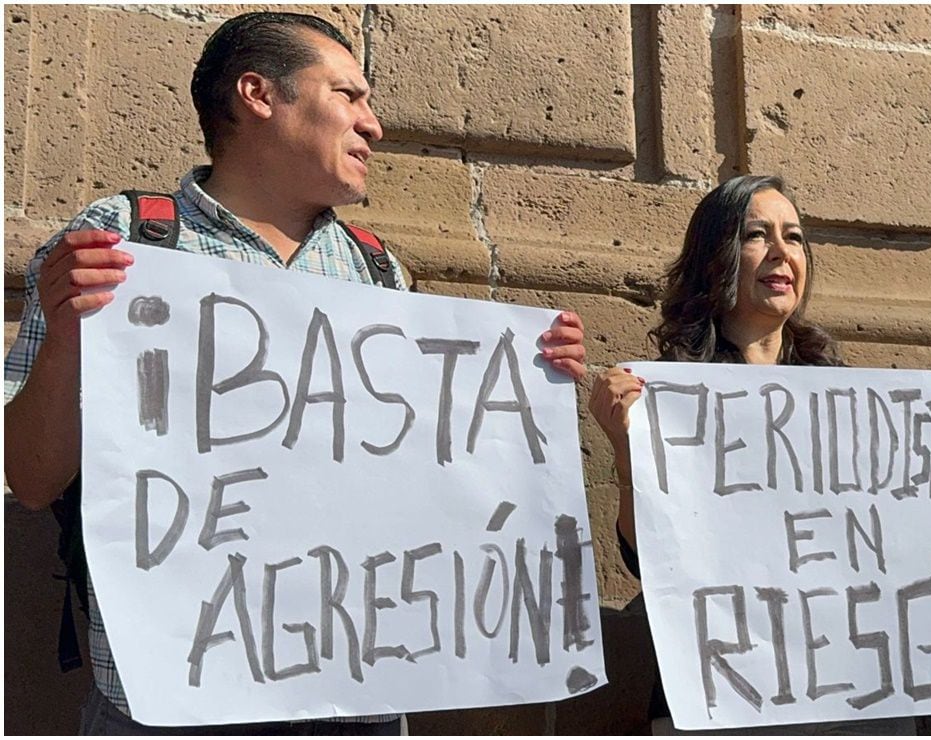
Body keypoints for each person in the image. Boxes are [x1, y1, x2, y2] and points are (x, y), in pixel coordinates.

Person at [3, 11, 586, 735]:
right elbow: (30, 480)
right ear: (258, 94)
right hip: (175, 702)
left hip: (359, 697)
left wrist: (530, 388)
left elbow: (431, 489)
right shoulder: (124, 242)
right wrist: (65, 338)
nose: (372, 125)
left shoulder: (377, 273)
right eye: (348, 95)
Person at [589, 175, 931, 734]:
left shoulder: (849, 400)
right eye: (757, 234)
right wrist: (628, 448)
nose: (781, 252)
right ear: (714, 258)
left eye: (794, 237)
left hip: (853, 695)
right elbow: (644, 560)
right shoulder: (668, 399)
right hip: (728, 696)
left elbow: (911, 536)